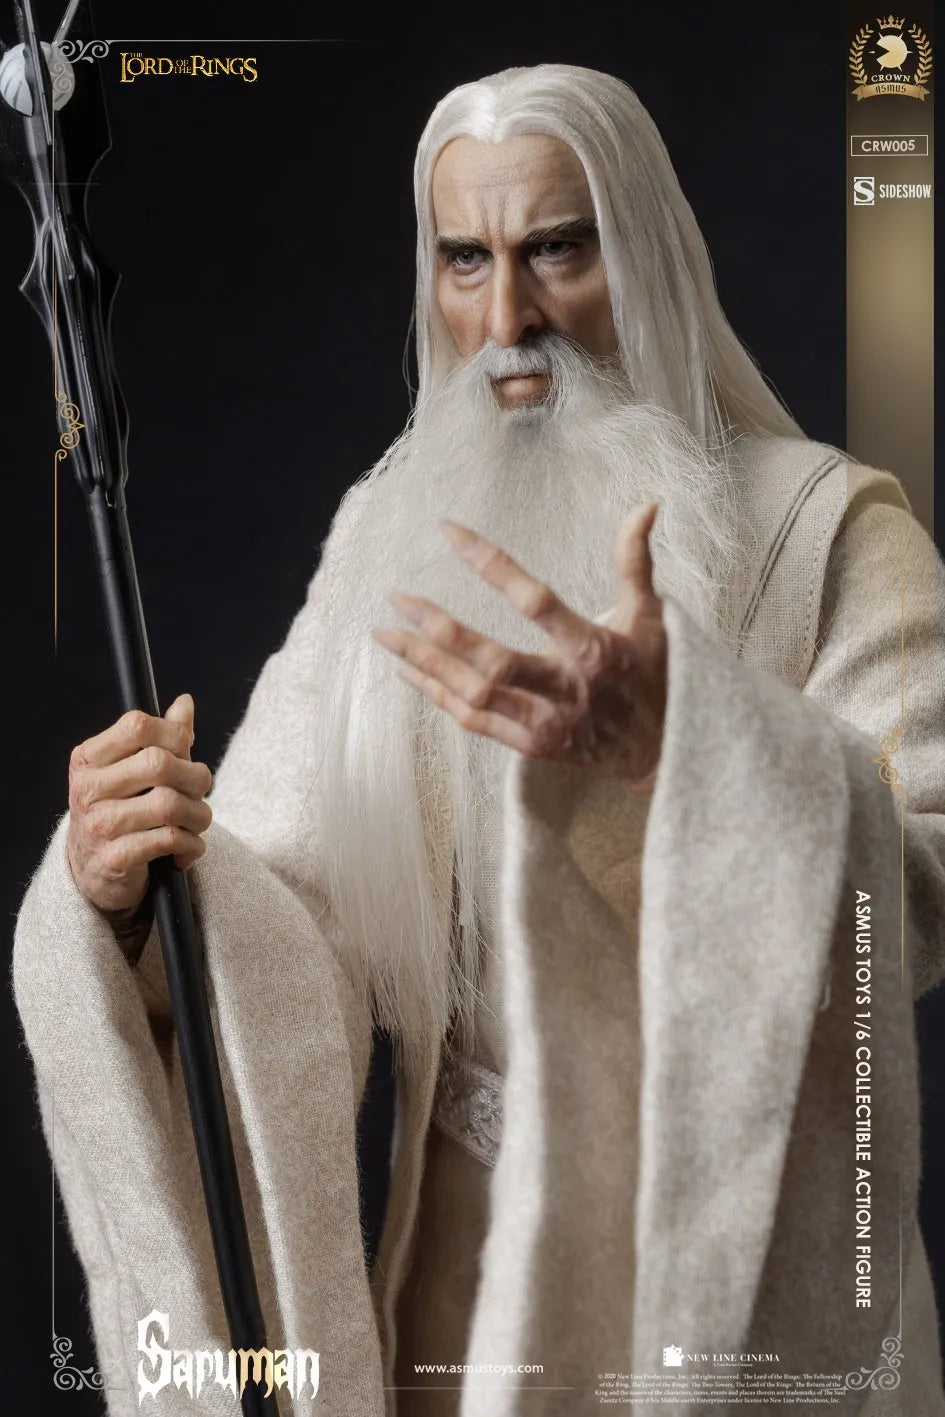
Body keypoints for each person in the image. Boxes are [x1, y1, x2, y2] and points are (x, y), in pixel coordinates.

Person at [12, 62, 945, 1417]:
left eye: (555, 249)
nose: (507, 319)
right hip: (466, 1294)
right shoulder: (392, 534)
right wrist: (130, 889)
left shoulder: (835, 535)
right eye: (465, 259)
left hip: (744, 1281)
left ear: (643, 257)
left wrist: (688, 758)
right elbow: (283, 911)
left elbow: (920, 885)